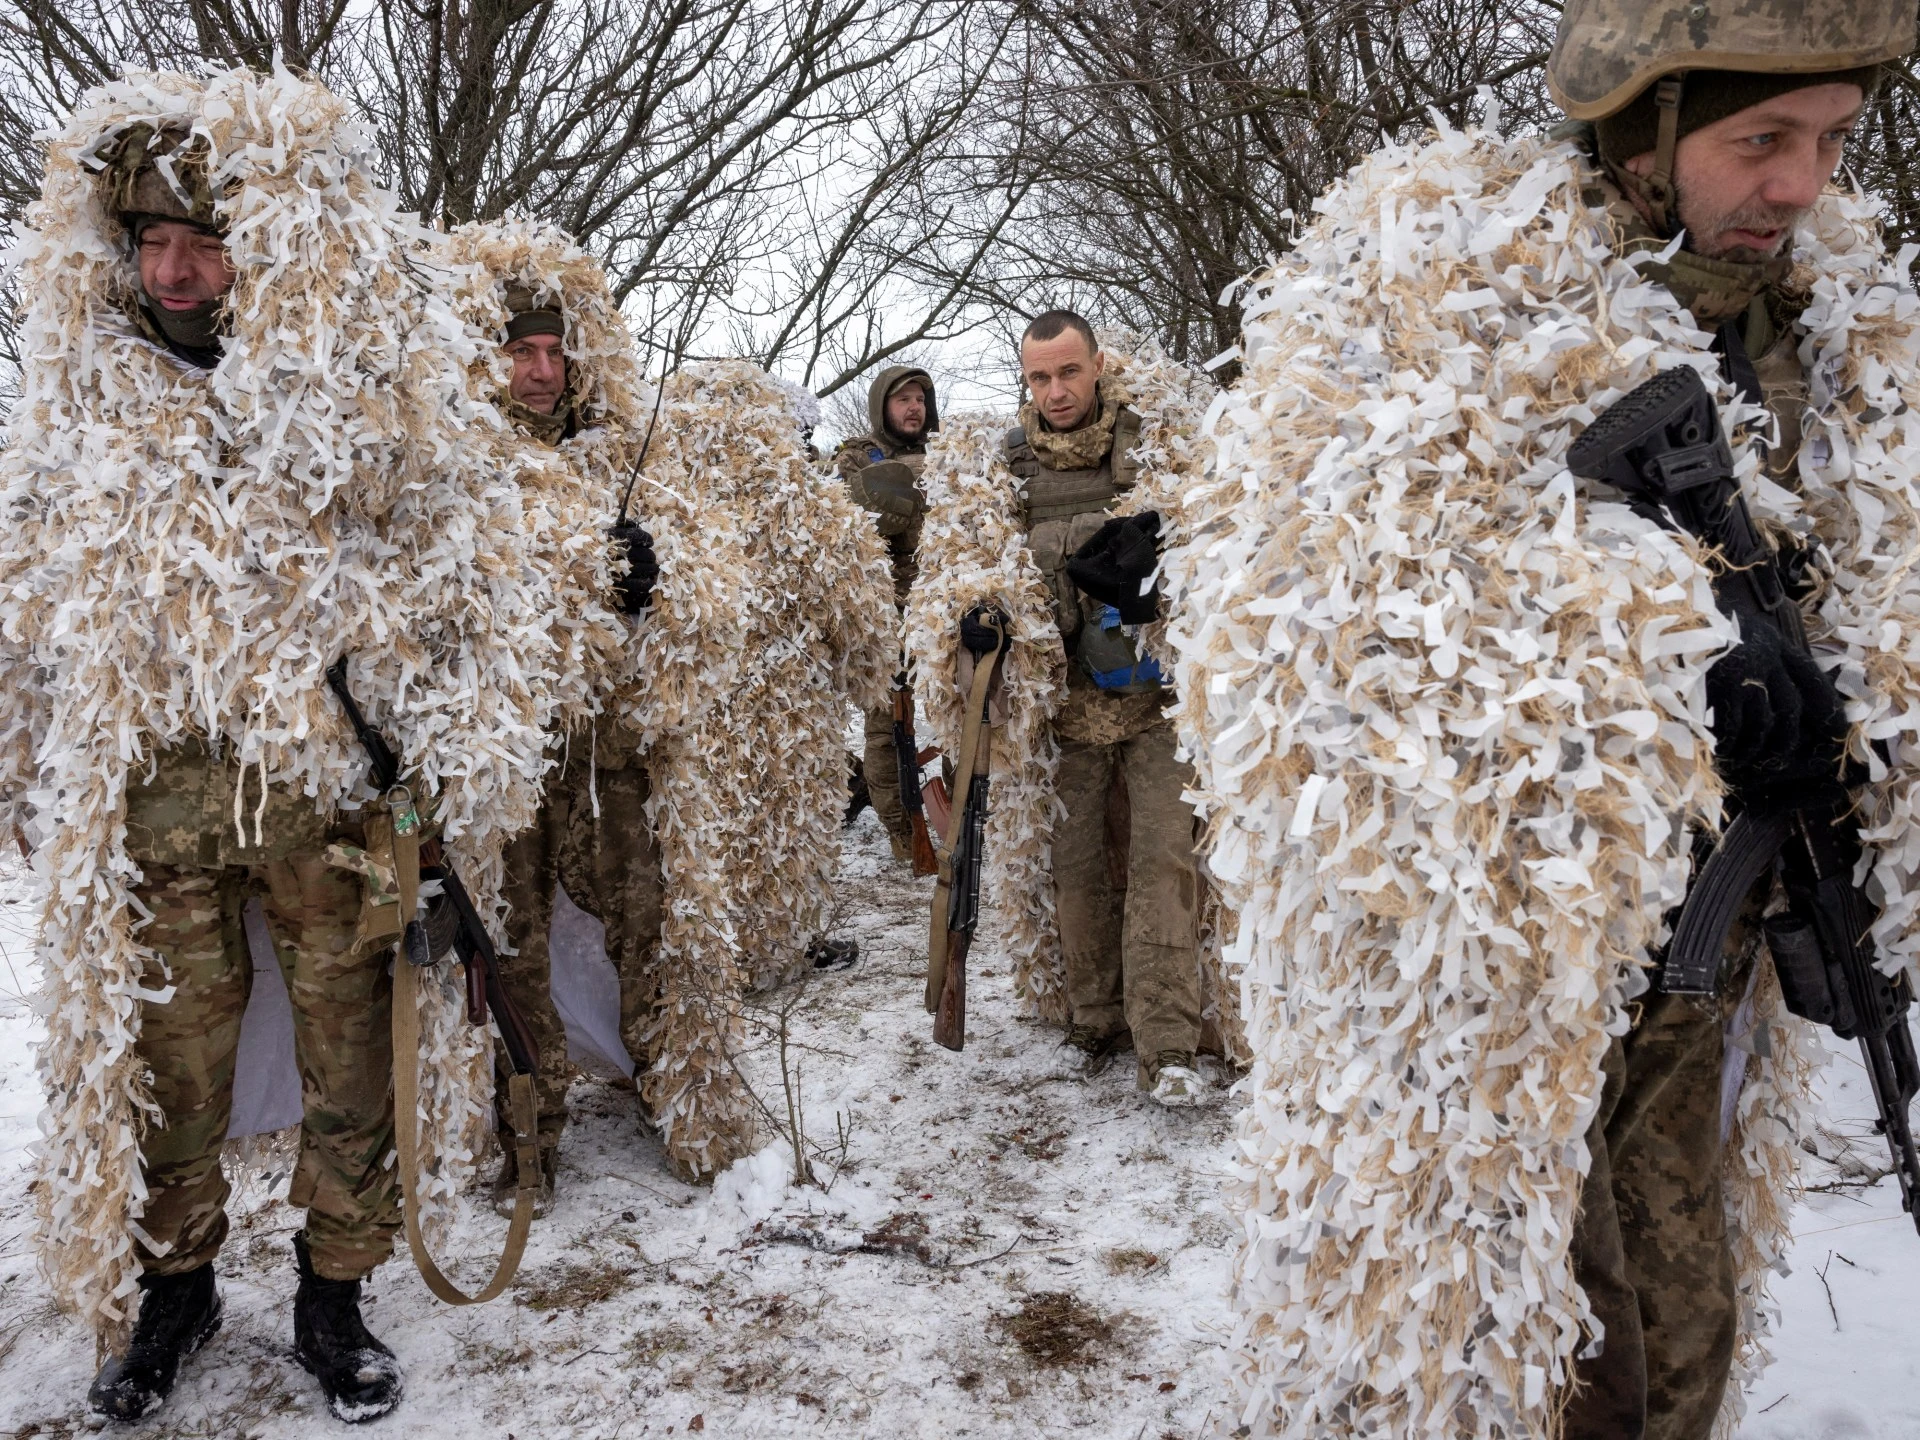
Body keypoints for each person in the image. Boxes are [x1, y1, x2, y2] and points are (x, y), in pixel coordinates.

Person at [1176, 3, 1920, 1436]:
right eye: (1760, 140)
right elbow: (1323, 622)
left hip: (1721, 962)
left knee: (1676, 1321)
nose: (1803, 186)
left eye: (1833, 137)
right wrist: (1669, 664)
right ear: (1638, 128)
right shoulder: (1433, 295)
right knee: (1500, 1349)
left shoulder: (1843, 333)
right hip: (1492, 989)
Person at [0, 72, 566, 1425]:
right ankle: (173, 1294)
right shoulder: (82, 405)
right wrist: (26, 760)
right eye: (154, 241)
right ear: (124, 250)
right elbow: (26, 595)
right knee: (168, 1066)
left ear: (259, 244)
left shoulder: (355, 387)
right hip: (156, 795)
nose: (179, 266)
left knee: (349, 1056)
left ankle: (334, 1295)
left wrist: (440, 747)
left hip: (324, 796)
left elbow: (458, 574)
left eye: (203, 238)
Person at [457, 235, 662, 1209]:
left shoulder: (623, 454)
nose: (541, 373)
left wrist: (649, 581)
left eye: (554, 354)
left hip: (615, 748)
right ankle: (528, 1142)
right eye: (520, 353)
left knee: (648, 925)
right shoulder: (458, 464)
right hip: (511, 752)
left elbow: (705, 601)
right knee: (513, 942)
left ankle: (676, 1098)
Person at [837, 367, 939, 866]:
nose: (913, 408)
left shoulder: (949, 454)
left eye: (919, 398)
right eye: (903, 399)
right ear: (883, 406)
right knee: (887, 728)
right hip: (887, 613)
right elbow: (847, 518)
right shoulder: (858, 457)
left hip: (946, 609)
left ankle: (968, 816)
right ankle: (903, 831)